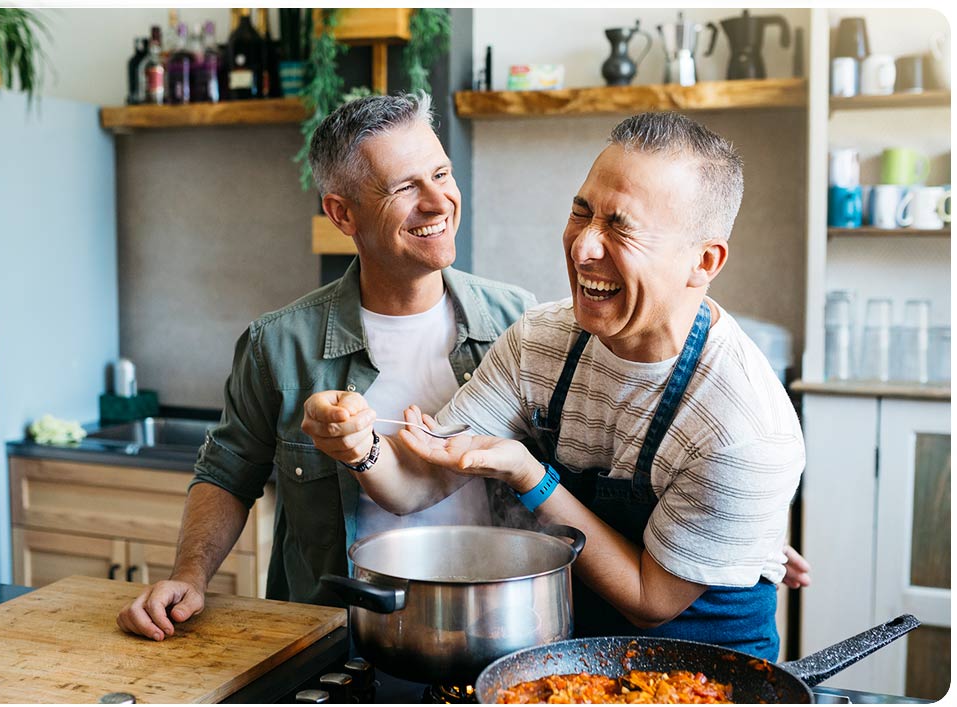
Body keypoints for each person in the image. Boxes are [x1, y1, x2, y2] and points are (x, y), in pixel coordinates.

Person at [302, 111, 806, 661]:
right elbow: (419, 483)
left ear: (702, 261)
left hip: (702, 673)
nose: (583, 247)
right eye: (580, 211)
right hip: (569, 661)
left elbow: (649, 599)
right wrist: (360, 449)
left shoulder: (745, 428)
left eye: (621, 226)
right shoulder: (541, 340)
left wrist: (531, 476)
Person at [115, 92, 536, 641]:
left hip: (497, 633)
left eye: (441, 173)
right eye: (406, 187)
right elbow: (226, 473)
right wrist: (189, 577)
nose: (438, 201)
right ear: (342, 213)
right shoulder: (278, 344)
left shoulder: (522, 323)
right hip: (337, 642)